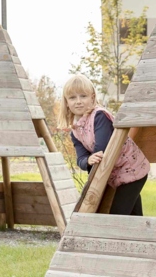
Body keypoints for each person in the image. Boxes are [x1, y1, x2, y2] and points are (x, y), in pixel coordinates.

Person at [61, 75, 150, 215]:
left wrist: (92, 159)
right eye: (72, 98)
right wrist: (88, 160)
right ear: (66, 102)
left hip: (132, 168)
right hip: (115, 174)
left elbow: (101, 151)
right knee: (134, 217)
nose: (78, 101)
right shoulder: (75, 131)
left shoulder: (99, 116)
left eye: (83, 96)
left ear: (92, 97)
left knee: (117, 215)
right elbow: (81, 160)